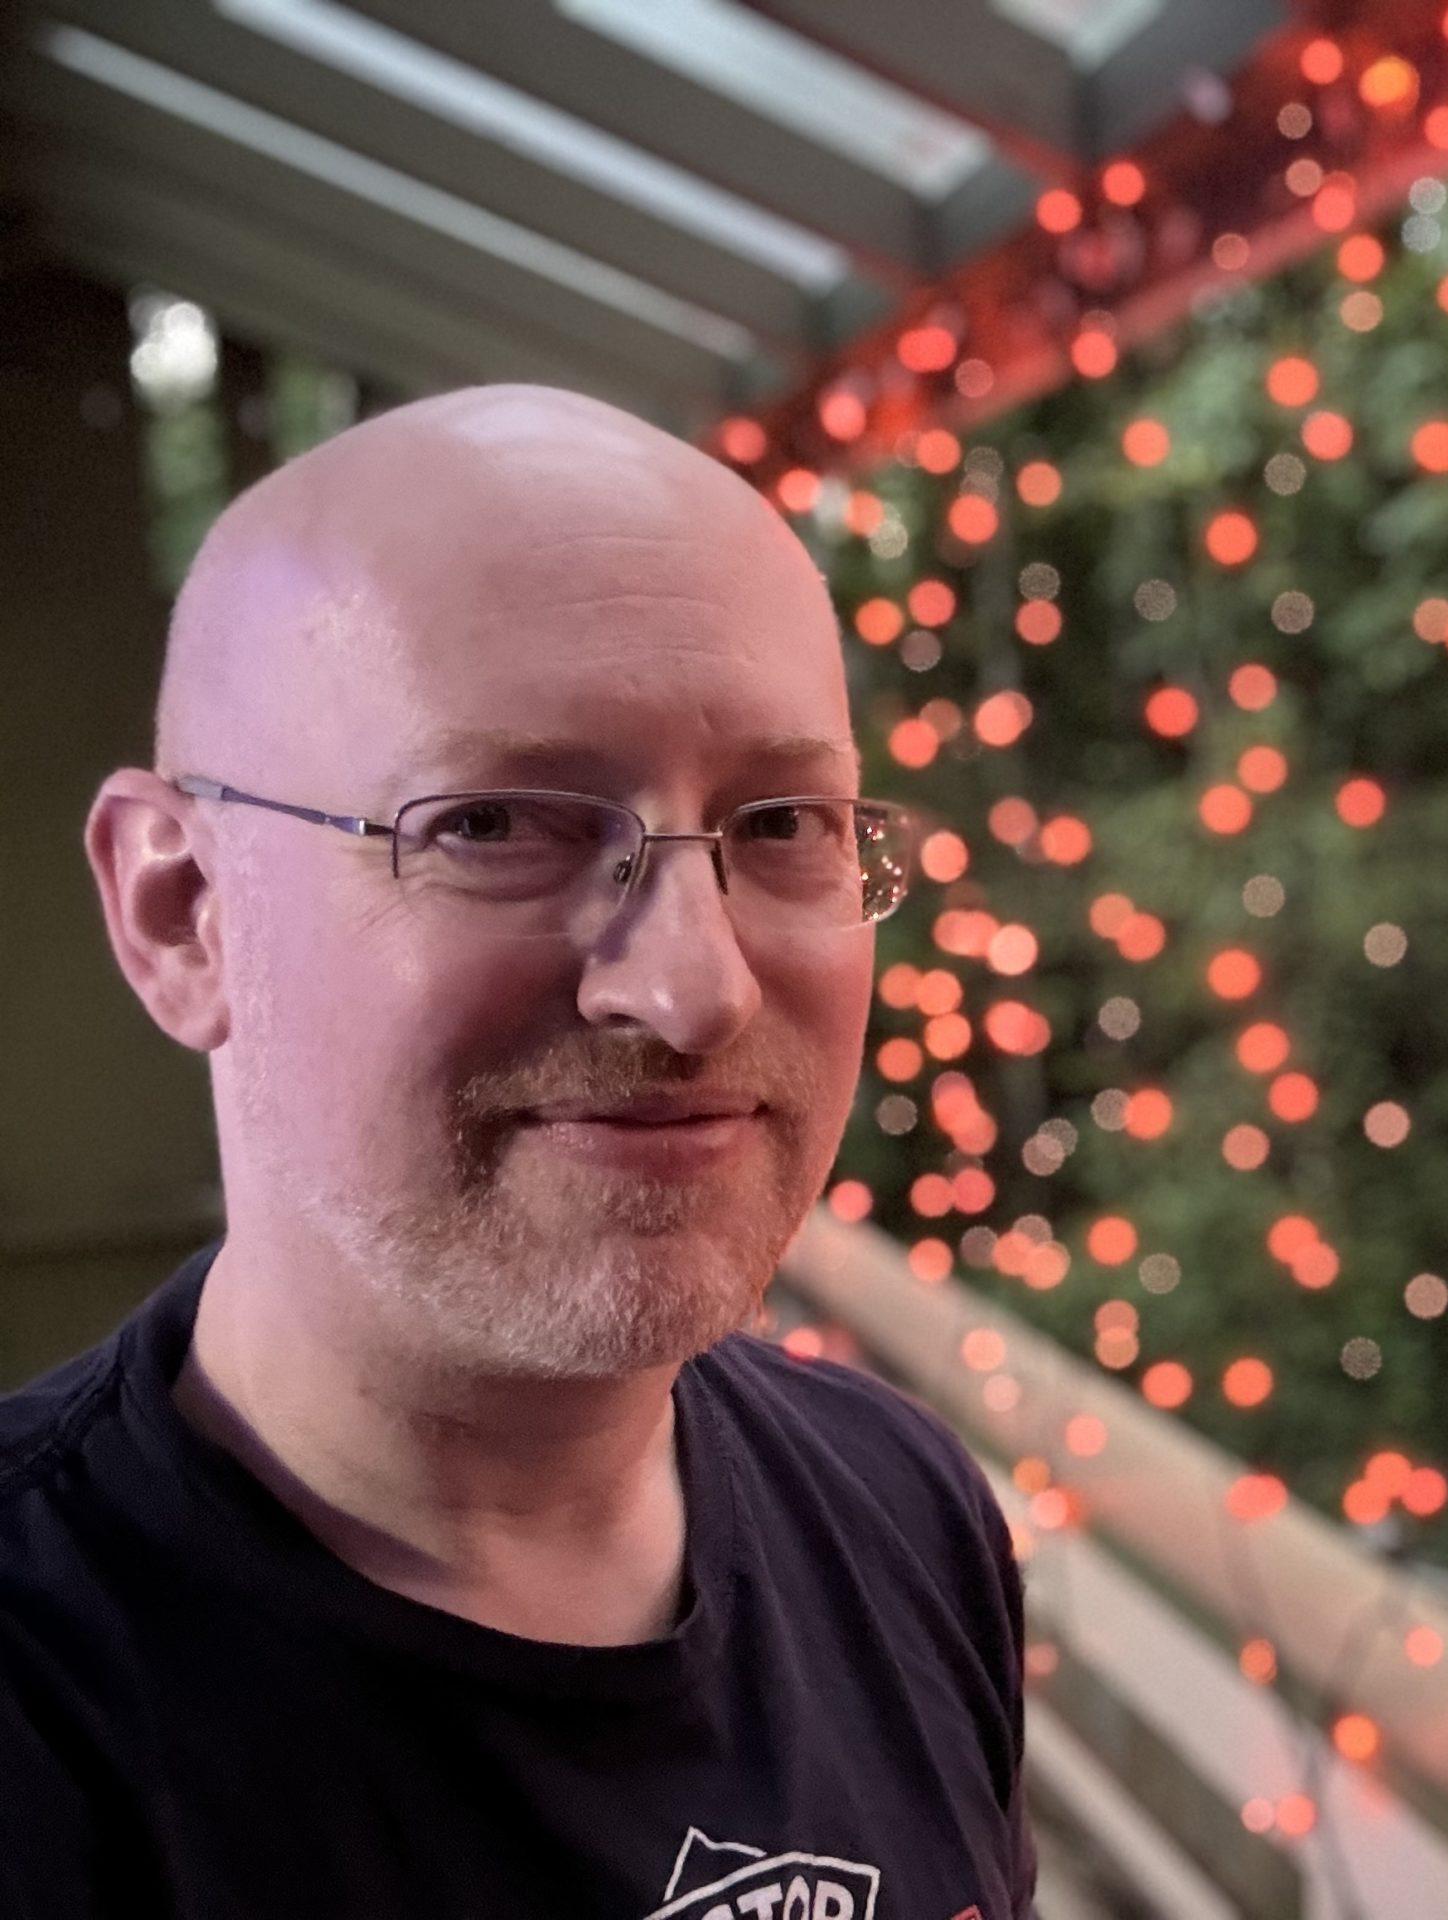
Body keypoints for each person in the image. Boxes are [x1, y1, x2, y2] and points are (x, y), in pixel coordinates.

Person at [0, 384, 1036, 1918]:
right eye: (493, 825)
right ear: (182, 915)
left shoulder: (901, 1507)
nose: (695, 988)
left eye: (781, 825)